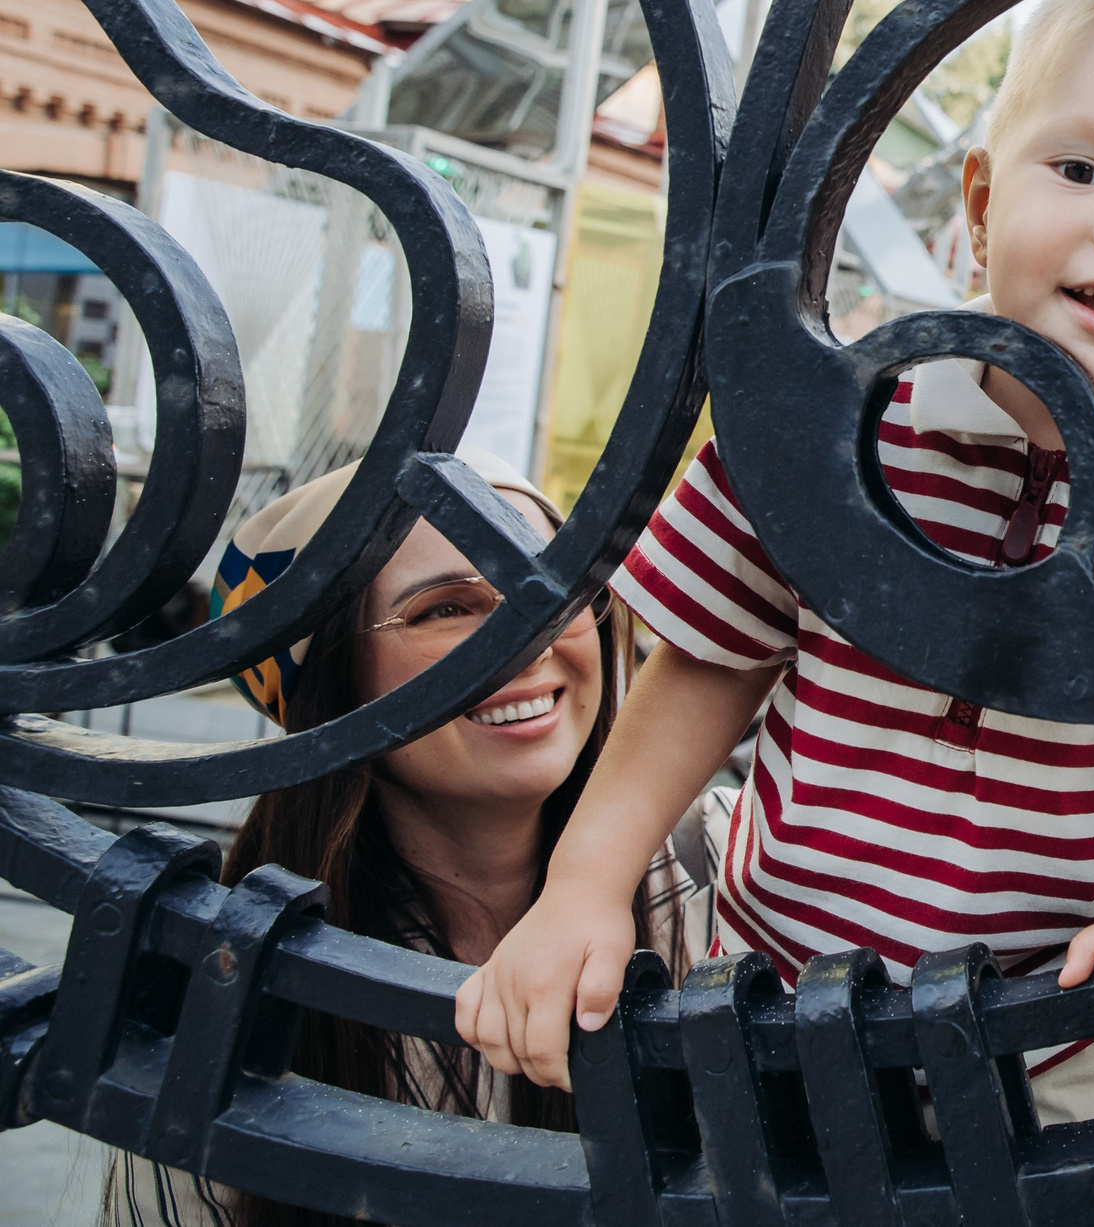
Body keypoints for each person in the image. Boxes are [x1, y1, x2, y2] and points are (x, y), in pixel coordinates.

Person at [457, 0, 1094, 1127]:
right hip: (774, 991)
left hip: (1051, 1037)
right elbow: (708, 667)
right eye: (1078, 170)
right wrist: (584, 885)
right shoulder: (842, 425)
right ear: (979, 204)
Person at [109, 445, 707, 1227]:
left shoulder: (734, 867)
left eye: (555, 587)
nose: (528, 641)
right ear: (335, 687)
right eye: (445, 608)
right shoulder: (223, 977)